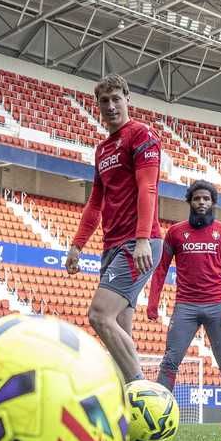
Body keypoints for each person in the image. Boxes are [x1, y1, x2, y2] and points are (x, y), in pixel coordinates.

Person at [65, 74, 162, 383]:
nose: (110, 106)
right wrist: (77, 245)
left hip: (138, 243)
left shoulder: (141, 134)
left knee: (99, 315)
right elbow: (95, 202)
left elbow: (148, 188)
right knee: (120, 330)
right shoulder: (102, 150)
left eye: (116, 99)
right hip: (111, 246)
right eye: (104, 101)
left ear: (127, 99)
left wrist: (142, 239)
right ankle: (127, 401)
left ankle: (142, 390)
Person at [146, 180, 221, 433]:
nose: (202, 202)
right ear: (190, 201)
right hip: (185, 307)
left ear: (213, 202)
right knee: (170, 361)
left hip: (216, 307)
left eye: (206, 199)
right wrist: (153, 302)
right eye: (197, 198)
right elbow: (161, 269)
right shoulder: (176, 232)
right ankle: (159, 413)